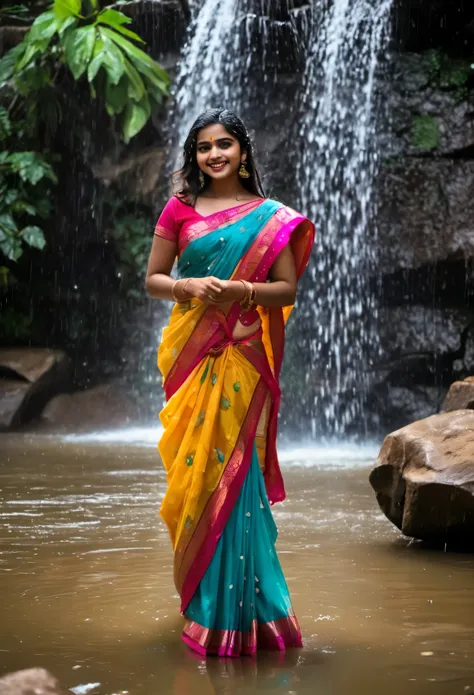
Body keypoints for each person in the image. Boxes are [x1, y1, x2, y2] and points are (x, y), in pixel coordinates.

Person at [146, 107, 315, 657]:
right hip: (194, 360)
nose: (213, 154)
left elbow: (286, 290)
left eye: (224, 144)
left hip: (244, 358)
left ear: (243, 150)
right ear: (194, 156)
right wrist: (188, 288)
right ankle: (207, 611)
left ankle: (255, 617)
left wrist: (240, 292)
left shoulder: (271, 217)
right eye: (203, 148)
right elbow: (154, 279)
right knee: (196, 481)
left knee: (238, 483)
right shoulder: (179, 210)